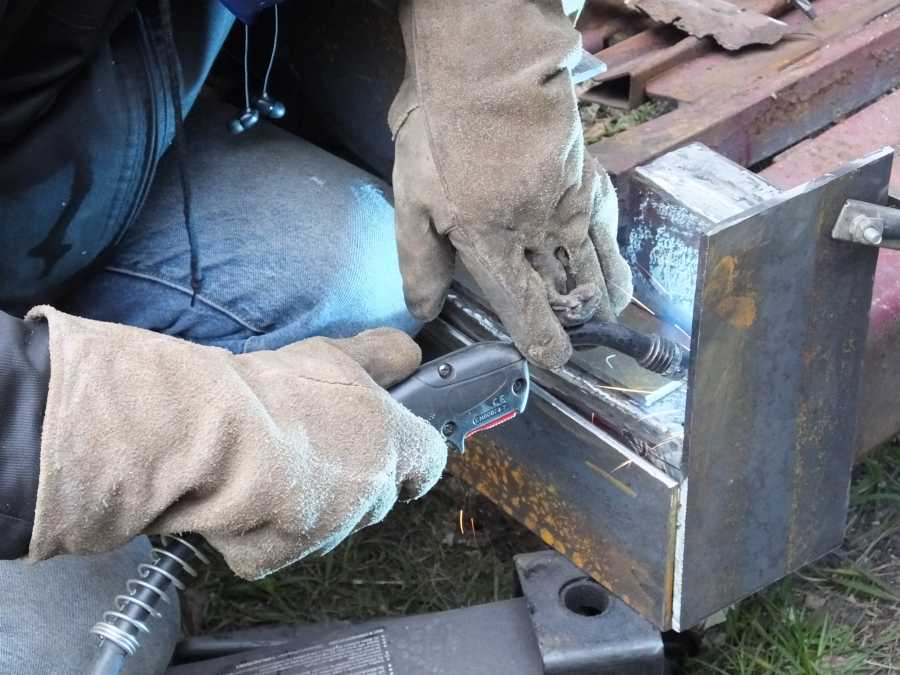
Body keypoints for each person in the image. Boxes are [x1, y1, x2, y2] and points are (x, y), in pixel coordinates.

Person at [0, 0, 632, 672]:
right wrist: (188, 434)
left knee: (363, 272)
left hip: (58, 169)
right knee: (63, 646)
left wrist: (488, 65)